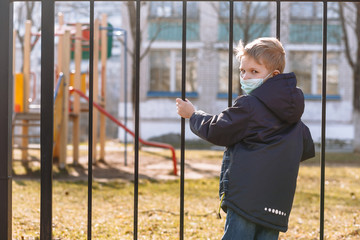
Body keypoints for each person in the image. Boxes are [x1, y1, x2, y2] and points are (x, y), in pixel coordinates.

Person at [176, 37, 315, 240]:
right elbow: (306, 146)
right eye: (242, 71)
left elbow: (217, 129)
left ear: (274, 75)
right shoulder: (292, 114)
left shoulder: (250, 105)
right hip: (277, 201)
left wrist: (194, 115)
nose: (246, 77)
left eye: (254, 72)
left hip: (246, 199)